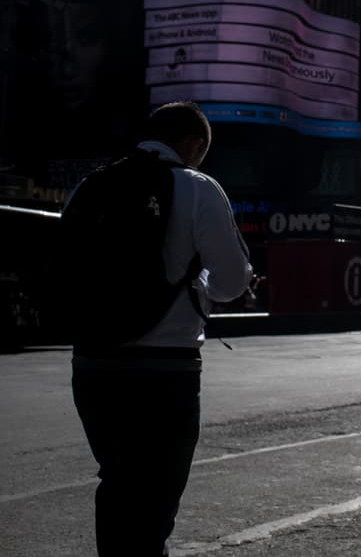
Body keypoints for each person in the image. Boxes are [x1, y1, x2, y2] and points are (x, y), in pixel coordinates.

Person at [68, 102, 253, 555]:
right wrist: (203, 285)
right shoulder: (197, 189)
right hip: (164, 373)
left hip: (92, 365)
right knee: (153, 505)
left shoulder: (89, 186)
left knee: (116, 483)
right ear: (195, 145)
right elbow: (230, 282)